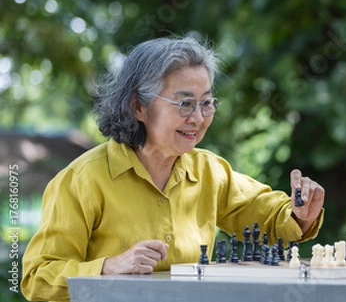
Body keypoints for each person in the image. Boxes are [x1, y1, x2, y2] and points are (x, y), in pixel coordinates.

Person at [21, 37, 325, 301]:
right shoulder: (83, 180)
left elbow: (271, 220)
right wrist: (108, 267)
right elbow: (36, 278)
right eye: (184, 104)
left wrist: (300, 214)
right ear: (138, 106)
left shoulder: (209, 171)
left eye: (206, 103)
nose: (198, 118)